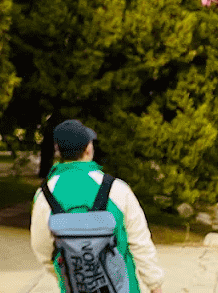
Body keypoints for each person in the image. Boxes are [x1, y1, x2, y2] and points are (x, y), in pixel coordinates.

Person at [31, 119, 164, 293]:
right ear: (88, 148)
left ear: (58, 151)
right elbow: (140, 243)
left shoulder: (45, 195)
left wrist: (64, 276)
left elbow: (41, 248)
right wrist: (155, 285)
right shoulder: (117, 189)